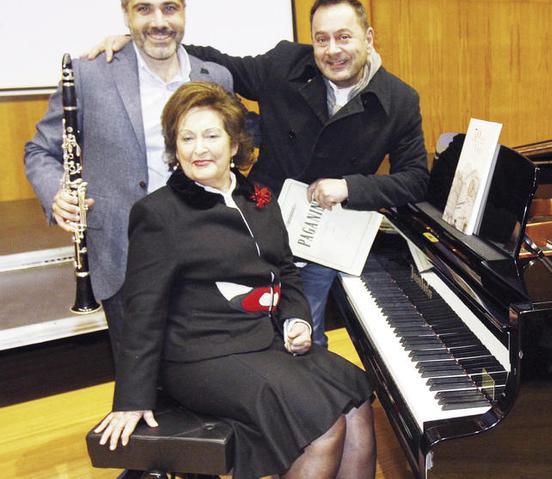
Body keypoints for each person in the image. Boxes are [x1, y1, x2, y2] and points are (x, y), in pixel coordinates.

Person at [89, 0, 430, 347]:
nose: (332, 50)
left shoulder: (400, 100)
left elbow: (415, 179)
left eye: (344, 37)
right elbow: (219, 64)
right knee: (246, 331)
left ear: (368, 37)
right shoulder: (285, 64)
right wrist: (141, 42)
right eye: (321, 39)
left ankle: (310, 394)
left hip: (325, 238)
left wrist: (350, 187)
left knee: (304, 334)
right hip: (260, 226)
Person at [94, 81, 376, 479]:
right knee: (322, 427)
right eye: (186, 138)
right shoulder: (158, 213)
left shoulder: (258, 197)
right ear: (175, 148)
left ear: (233, 142)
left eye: (211, 135)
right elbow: (142, 312)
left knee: (357, 398)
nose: (199, 148)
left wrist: (296, 320)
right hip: (200, 355)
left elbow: (286, 273)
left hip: (263, 341)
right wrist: (131, 399)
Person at [24, 0, 234, 363]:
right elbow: (40, 149)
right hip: (123, 252)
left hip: (204, 249)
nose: (159, 21)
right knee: (139, 378)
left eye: (169, 8)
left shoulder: (216, 77)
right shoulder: (88, 73)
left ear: (184, 10)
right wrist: (58, 194)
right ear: (126, 14)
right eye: (144, 10)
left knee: (209, 368)